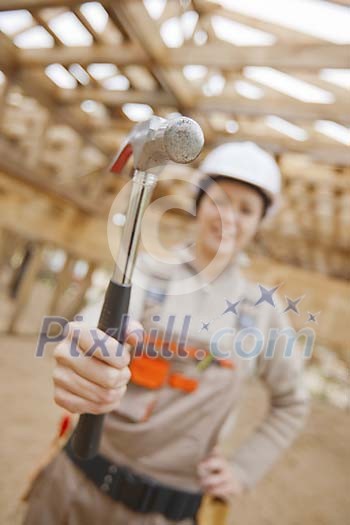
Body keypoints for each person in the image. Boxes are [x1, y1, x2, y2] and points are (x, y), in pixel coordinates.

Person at [23, 142, 309, 525]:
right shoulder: (145, 274)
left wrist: (243, 469)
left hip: (166, 511)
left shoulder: (262, 313)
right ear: (199, 203)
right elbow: (91, 332)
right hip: (75, 486)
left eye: (246, 209)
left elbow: (292, 402)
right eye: (219, 201)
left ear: (259, 223)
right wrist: (82, 360)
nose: (229, 218)